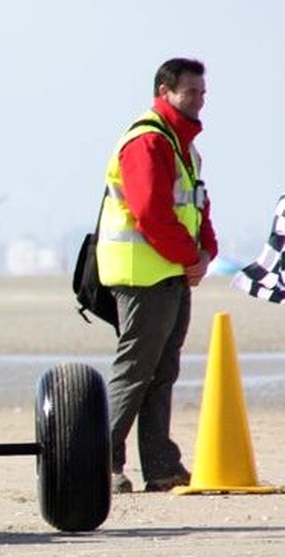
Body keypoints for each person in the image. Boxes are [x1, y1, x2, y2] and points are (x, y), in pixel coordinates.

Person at [97, 57, 218, 494]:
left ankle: (162, 465)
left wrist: (206, 251)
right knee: (135, 370)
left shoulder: (183, 146)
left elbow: (197, 205)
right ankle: (100, 463)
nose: (199, 100)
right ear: (164, 92)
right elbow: (150, 212)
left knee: (162, 371)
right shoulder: (148, 140)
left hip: (171, 272)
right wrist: (189, 257)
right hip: (142, 274)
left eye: (203, 93)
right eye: (191, 92)